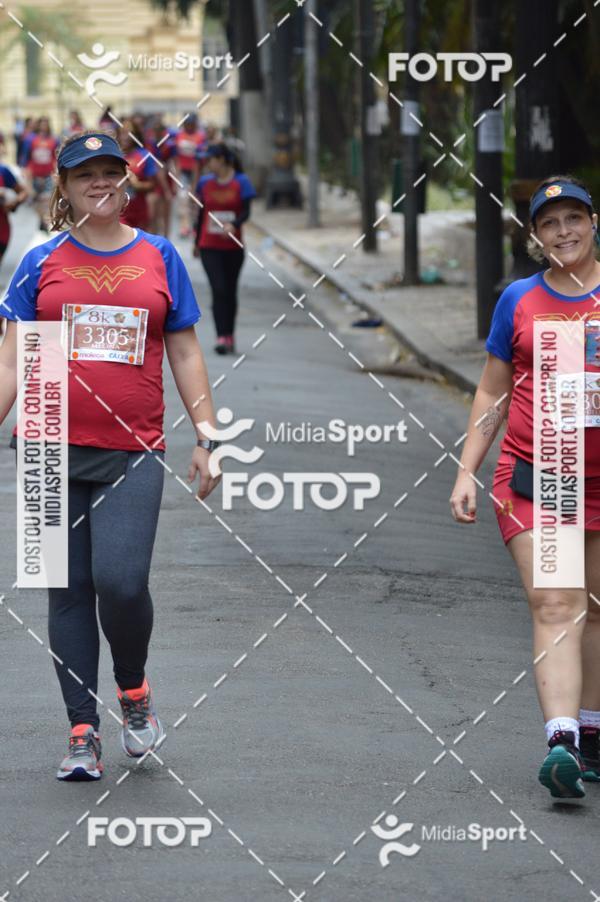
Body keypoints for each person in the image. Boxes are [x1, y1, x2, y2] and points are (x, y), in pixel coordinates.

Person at [0, 130, 221, 781]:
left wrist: (207, 437)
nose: (100, 183)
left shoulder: (160, 256)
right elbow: (12, 358)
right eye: (84, 175)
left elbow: (183, 350)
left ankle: (132, 688)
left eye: (110, 172)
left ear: (126, 183)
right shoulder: (39, 261)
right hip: (44, 442)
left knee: (121, 583)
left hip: (132, 446)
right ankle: (81, 731)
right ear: (62, 188)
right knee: (66, 592)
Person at [450, 175, 600, 800]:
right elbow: (492, 388)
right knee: (558, 605)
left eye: (574, 218)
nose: (563, 232)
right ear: (535, 237)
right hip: (544, 480)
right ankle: (561, 743)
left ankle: (590, 734)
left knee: (593, 612)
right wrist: (467, 468)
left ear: (594, 223)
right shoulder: (520, 300)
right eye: (549, 224)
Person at [193, 143, 256, 355]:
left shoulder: (241, 182)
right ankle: (221, 336)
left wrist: (235, 224)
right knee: (218, 289)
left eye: (210, 159)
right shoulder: (204, 183)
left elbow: (247, 212)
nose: (207, 163)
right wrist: (195, 242)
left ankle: (230, 335)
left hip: (233, 247)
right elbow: (201, 214)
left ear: (222, 159)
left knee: (230, 291)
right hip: (209, 245)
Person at [117, 121, 158, 231]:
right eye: (122, 133)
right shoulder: (113, 156)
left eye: (129, 134)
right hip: (117, 213)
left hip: (139, 212)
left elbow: (153, 185)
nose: (125, 137)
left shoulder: (144, 156)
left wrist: (137, 185)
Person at [22, 117, 58, 231]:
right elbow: (26, 157)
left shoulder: (53, 140)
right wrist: (26, 172)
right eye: (41, 124)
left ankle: (45, 222)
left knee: (47, 199)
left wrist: (56, 171)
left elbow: (55, 157)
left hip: (48, 174)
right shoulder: (31, 140)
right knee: (36, 200)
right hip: (35, 175)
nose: (43, 127)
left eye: (45, 124)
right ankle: (41, 219)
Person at [174, 116, 205, 237]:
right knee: (182, 199)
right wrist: (176, 174)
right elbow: (176, 157)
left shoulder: (200, 137)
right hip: (183, 171)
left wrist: (196, 181)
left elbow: (200, 159)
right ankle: (184, 226)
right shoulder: (179, 136)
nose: (189, 126)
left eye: (191, 124)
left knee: (195, 199)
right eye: (187, 124)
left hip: (196, 171)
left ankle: (195, 226)